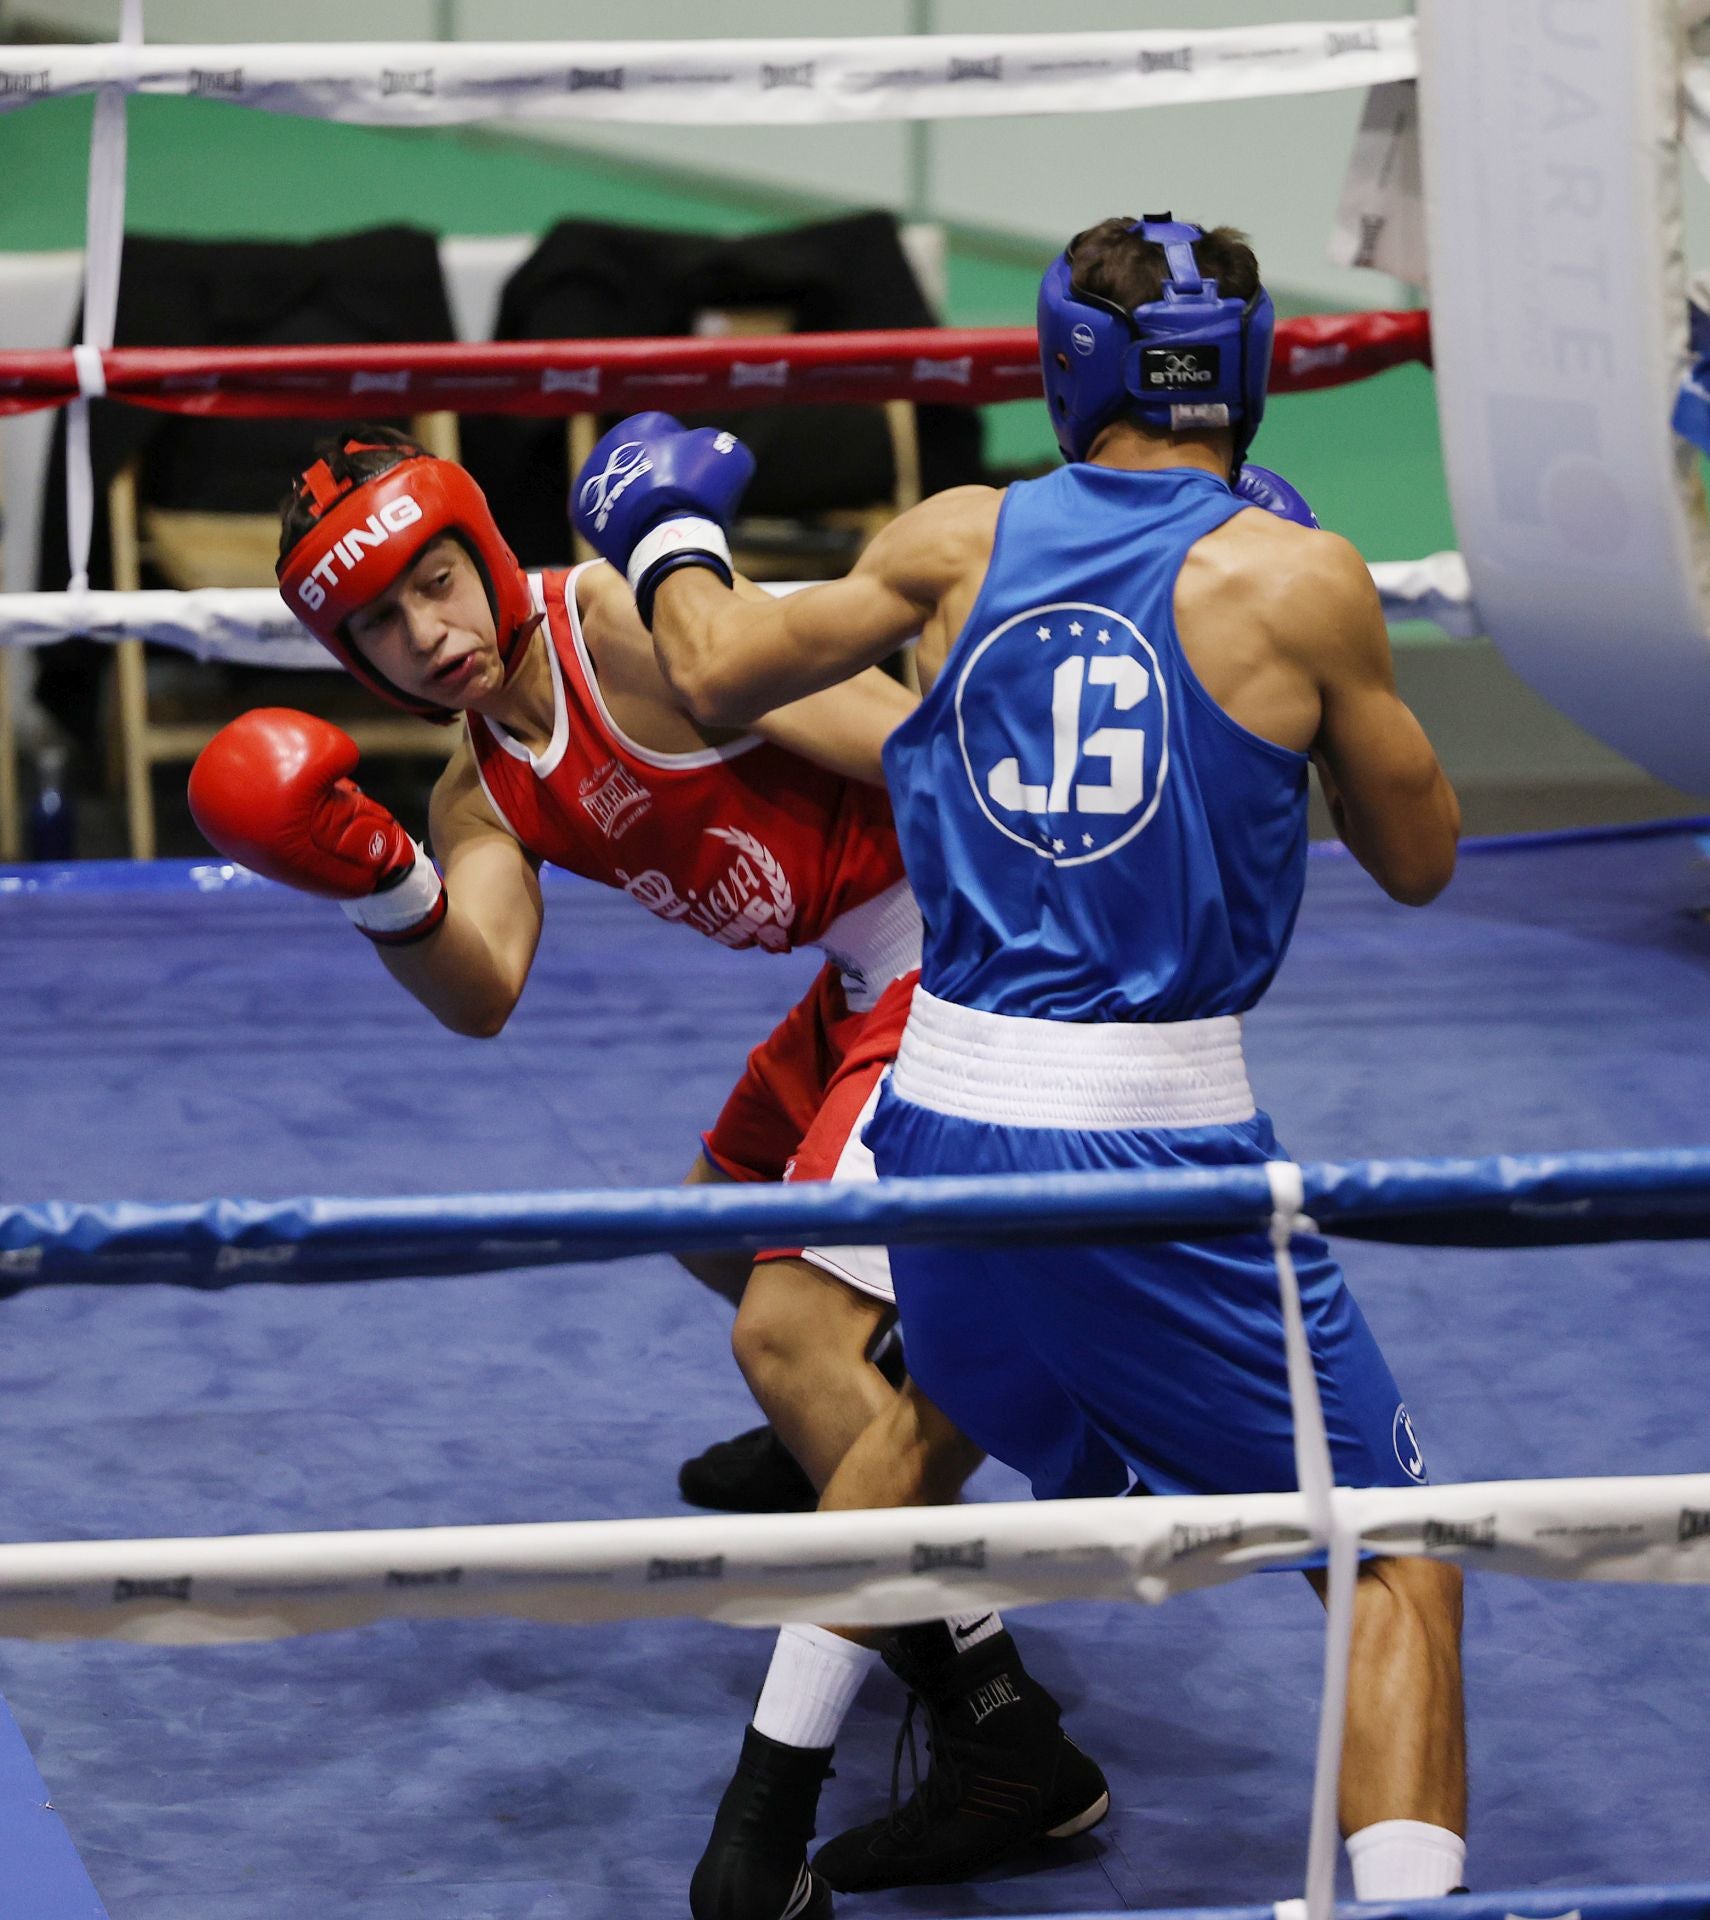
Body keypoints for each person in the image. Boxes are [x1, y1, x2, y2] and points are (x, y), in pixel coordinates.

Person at [571, 214, 1470, 1905]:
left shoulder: (954, 541)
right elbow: (1419, 857)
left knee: (926, 1431)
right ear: (1251, 372)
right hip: (1150, 1145)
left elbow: (708, 672)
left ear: (1070, 368)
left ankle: (752, 1848)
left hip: (945, 1119)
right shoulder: (1301, 580)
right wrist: (1313, 692)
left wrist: (672, 526)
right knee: (1400, 1559)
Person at [186, 429, 1110, 1915]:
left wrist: (1041, 980)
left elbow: (903, 751)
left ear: (483, 556)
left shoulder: (623, 623)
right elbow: (480, 989)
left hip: (958, 944)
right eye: (378, 623)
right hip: (861, 962)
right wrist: (379, 881)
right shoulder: (477, 789)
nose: (428, 636)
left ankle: (1006, 1737)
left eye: (436, 584)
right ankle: (858, 1435)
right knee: (710, 1232)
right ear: (344, 653)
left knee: (783, 1330)